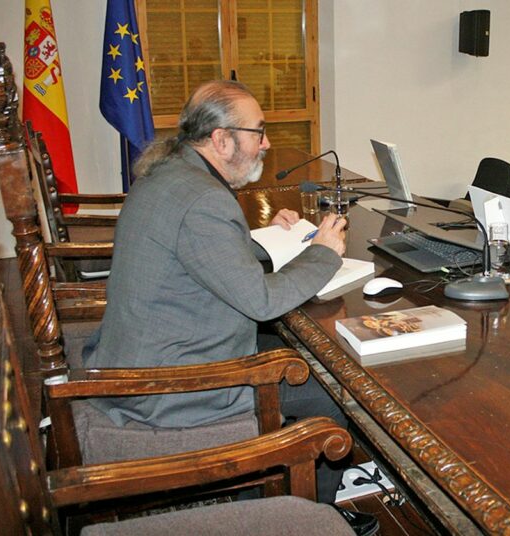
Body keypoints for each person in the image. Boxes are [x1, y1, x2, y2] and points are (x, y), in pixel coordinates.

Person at [83, 80, 378, 535]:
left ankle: (257, 484)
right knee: (337, 394)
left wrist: (272, 240)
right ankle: (298, 511)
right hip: (168, 389)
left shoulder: (171, 173)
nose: (266, 143)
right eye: (257, 132)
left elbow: (203, 256)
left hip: (139, 356)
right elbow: (262, 302)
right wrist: (324, 252)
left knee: (298, 351)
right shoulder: (203, 199)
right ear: (221, 140)